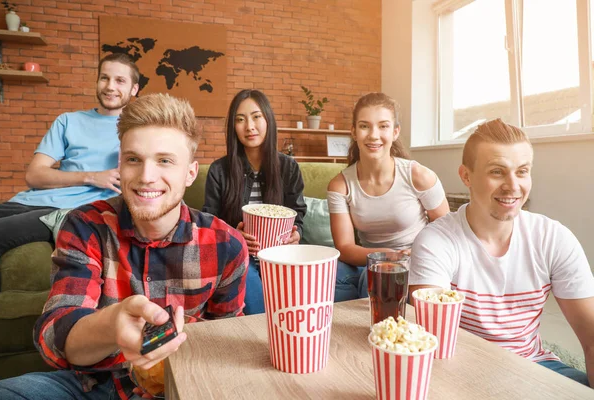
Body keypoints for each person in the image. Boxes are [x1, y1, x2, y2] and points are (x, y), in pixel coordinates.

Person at [0, 93, 248, 399]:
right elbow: (56, 337)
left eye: (165, 160)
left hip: (183, 386)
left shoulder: (226, 244)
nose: (146, 177)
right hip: (94, 385)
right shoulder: (86, 225)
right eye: (133, 160)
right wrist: (113, 324)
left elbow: (225, 345)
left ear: (190, 173)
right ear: (120, 164)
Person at [409, 118, 594, 388]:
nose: (513, 185)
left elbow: (591, 338)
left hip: (535, 366)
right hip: (461, 372)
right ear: (466, 176)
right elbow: (430, 343)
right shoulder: (436, 241)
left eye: (522, 171)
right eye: (497, 172)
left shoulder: (554, 238)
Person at [0, 53, 140, 293]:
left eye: (120, 81)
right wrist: (92, 176)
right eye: (104, 78)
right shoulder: (68, 121)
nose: (110, 86)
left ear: (134, 89)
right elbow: (35, 175)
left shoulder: (136, 130)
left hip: (65, 212)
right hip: (28, 201)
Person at [327, 92, 449, 302]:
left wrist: (407, 256)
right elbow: (345, 248)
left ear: (395, 132)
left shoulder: (419, 176)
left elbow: (446, 230)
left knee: (378, 275)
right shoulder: (340, 186)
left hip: (417, 259)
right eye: (365, 126)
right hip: (369, 261)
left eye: (383, 126)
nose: (374, 135)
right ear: (354, 132)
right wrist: (386, 256)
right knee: (327, 272)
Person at [203, 89, 306, 315]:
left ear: (268, 119)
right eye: (240, 119)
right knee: (246, 274)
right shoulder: (219, 170)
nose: (249, 126)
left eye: (256, 116)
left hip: (281, 257)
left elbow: (297, 213)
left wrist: (296, 233)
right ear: (233, 127)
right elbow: (209, 223)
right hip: (238, 258)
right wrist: (235, 236)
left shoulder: (288, 168)